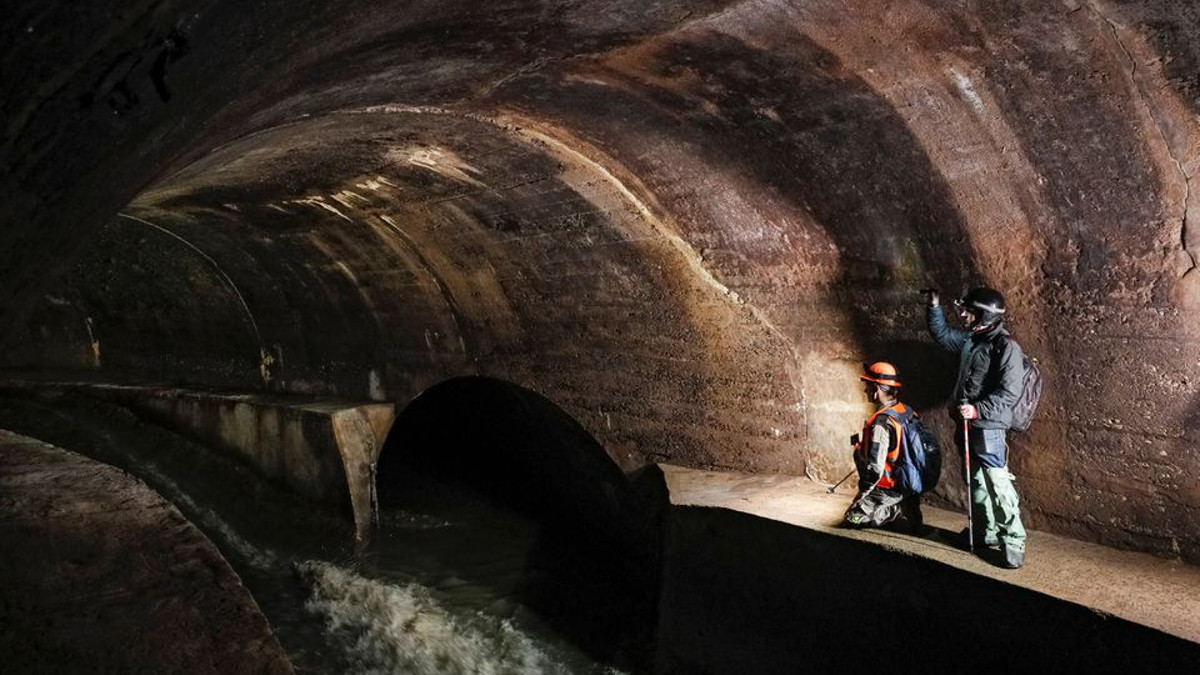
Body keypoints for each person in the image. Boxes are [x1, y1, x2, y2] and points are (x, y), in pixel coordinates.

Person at [926, 287, 1027, 569]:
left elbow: (1010, 392)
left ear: (984, 314)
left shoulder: (1006, 347)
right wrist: (934, 305)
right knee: (976, 480)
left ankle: (1014, 539)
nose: (963, 314)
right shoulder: (973, 340)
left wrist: (978, 409)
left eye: (968, 310)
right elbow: (943, 336)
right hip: (967, 422)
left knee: (997, 480)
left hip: (989, 425)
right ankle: (986, 532)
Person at [842, 362, 923, 533]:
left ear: (877, 388)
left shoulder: (881, 423)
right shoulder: (906, 411)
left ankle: (897, 510)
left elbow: (875, 468)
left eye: (868, 386)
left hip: (889, 487)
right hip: (909, 481)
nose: (865, 391)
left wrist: (862, 495)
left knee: (852, 518)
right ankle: (908, 507)